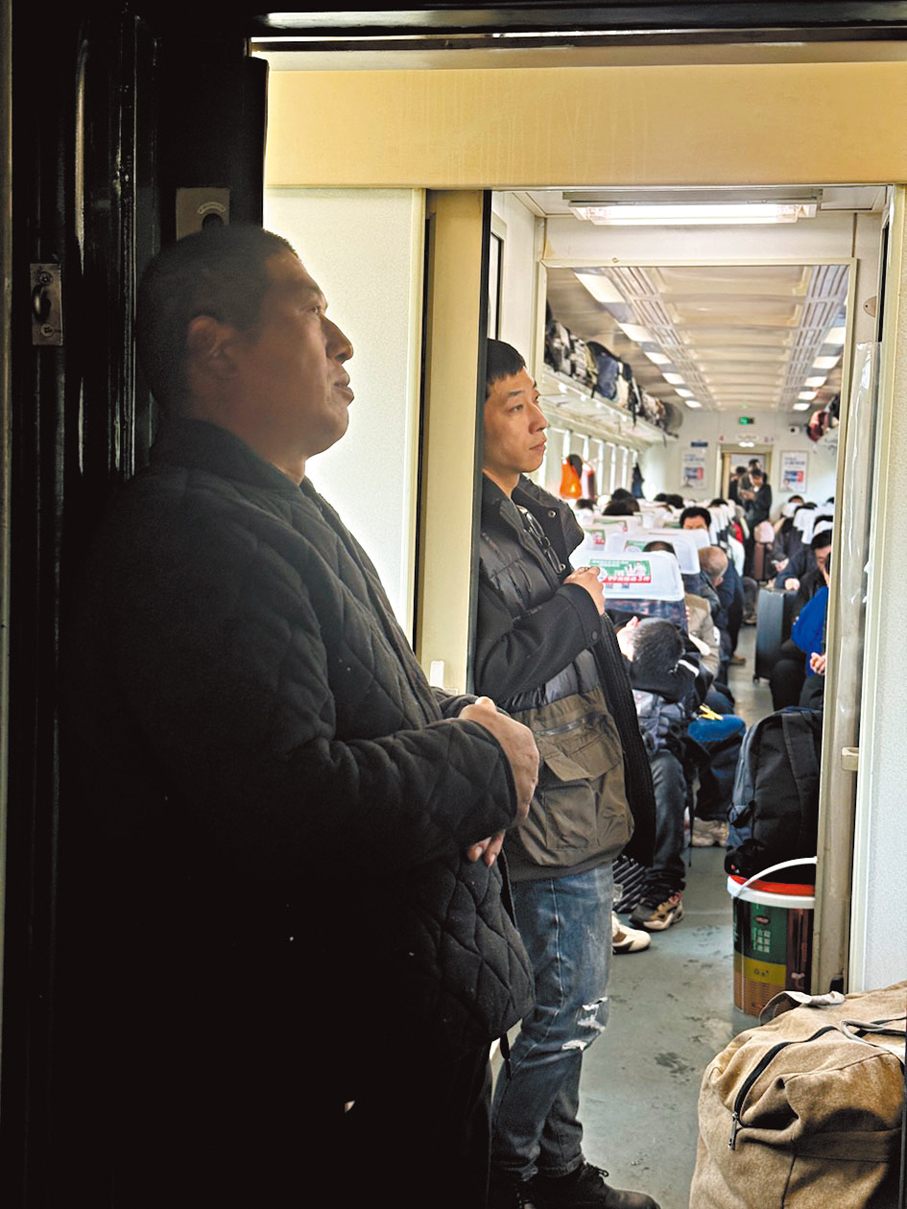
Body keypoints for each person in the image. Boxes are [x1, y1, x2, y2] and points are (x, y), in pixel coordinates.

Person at [64, 226, 541, 1208]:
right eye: (312, 311)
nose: (343, 344)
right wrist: (485, 764)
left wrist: (464, 718)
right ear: (216, 350)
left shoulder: (275, 508)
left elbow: (359, 694)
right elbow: (291, 801)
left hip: (381, 1031)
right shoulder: (198, 538)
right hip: (332, 1060)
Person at [476, 339, 659, 1209]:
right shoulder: (468, 532)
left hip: (580, 780)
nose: (538, 421)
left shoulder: (533, 519)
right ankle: (504, 1177)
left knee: (566, 1009)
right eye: (515, 405)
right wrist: (579, 604)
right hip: (546, 796)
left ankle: (558, 1169)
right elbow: (495, 666)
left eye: (536, 401)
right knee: (567, 1010)